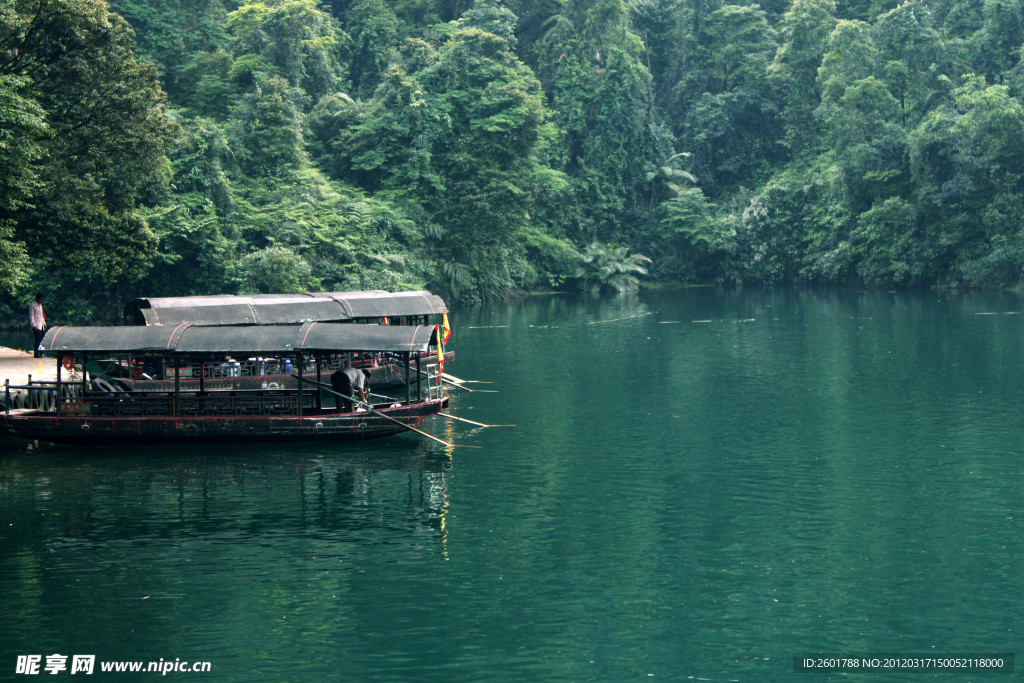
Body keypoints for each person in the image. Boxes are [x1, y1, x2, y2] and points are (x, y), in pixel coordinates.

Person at [29, 293, 45, 357]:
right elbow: (31, 316)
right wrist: (33, 325)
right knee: (37, 340)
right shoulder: (32, 305)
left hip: (41, 324)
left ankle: (41, 353)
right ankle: (36, 353)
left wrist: (44, 322)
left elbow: (42, 315)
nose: (42, 300)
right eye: (41, 299)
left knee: (42, 339)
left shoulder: (40, 305)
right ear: (38, 298)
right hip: (36, 325)